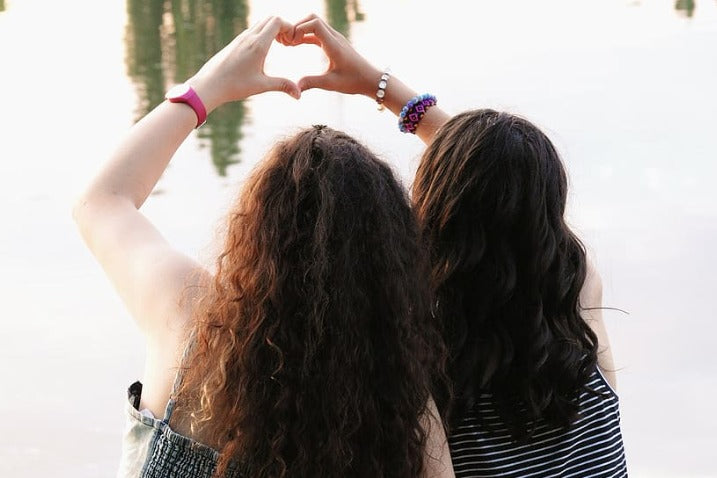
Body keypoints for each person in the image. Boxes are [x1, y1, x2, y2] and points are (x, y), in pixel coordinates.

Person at [73, 17, 454, 478]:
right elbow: (501, 195)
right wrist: (383, 87)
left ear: (253, 236)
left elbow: (101, 202)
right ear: (391, 267)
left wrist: (205, 88)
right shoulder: (405, 413)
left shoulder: (190, 328)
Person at [286, 14, 628, 477]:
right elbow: (510, 198)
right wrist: (377, 85)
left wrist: (376, 85)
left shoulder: (421, 379)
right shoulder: (580, 307)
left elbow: (481, 187)